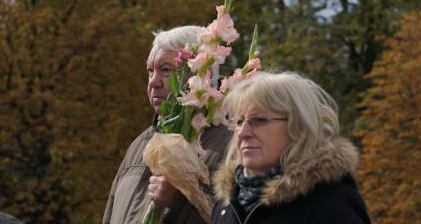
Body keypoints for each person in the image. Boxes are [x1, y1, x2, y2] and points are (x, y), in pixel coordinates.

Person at [103, 26, 232, 224]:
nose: (153, 82)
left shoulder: (232, 145)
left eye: (165, 70)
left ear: (200, 74)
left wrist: (179, 203)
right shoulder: (138, 145)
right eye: (149, 71)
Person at [212, 71, 371, 224]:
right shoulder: (226, 204)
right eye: (239, 122)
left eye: (259, 120)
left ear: (298, 127)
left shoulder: (331, 204)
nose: (243, 133)